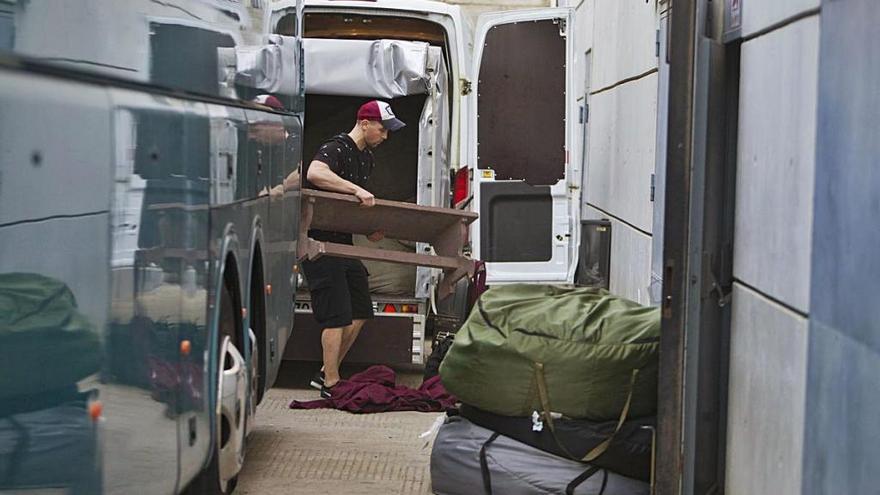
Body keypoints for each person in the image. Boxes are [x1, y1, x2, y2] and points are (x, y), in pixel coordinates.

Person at [302, 100, 406, 398]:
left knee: (360, 309)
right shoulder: (336, 148)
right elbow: (315, 173)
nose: (385, 137)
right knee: (336, 316)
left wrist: (366, 228)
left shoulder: (367, 159)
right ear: (364, 123)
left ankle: (326, 371)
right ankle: (331, 384)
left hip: (344, 244)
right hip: (320, 244)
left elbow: (348, 209)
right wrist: (355, 188)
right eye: (382, 129)